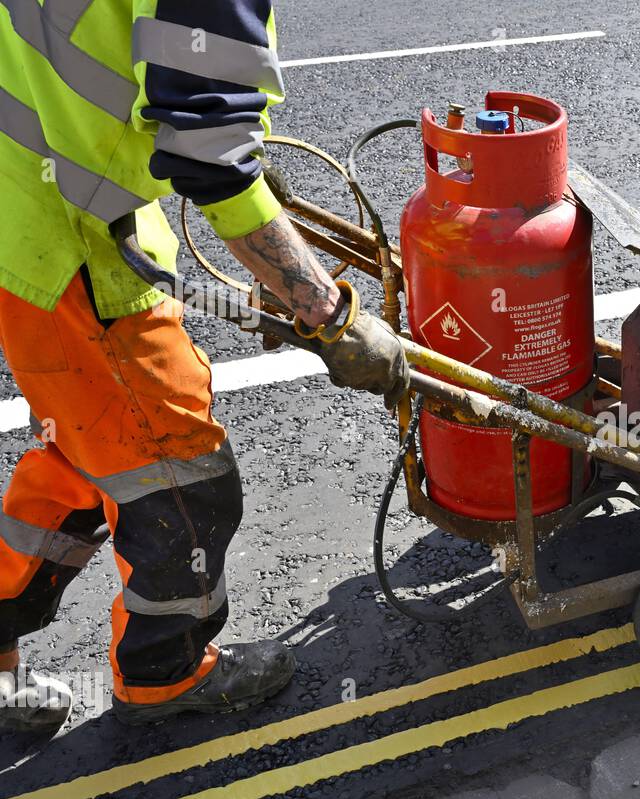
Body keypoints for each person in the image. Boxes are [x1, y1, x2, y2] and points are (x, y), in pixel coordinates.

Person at [0, 1, 408, 730]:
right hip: (71, 242)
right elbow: (206, 156)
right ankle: (166, 674)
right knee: (180, 477)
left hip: (25, 208)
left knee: (83, 456)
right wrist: (326, 312)